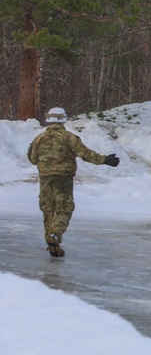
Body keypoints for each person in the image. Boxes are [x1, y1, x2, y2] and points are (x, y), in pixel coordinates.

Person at [27, 107, 120, 257]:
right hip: (63, 178)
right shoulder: (68, 137)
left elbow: (32, 159)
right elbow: (84, 153)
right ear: (63, 119)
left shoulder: (39, 139)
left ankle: (52, 242)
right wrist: (105, 160)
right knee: (64, 208)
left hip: (45, 178)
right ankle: (55, 235)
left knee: (48, 209)